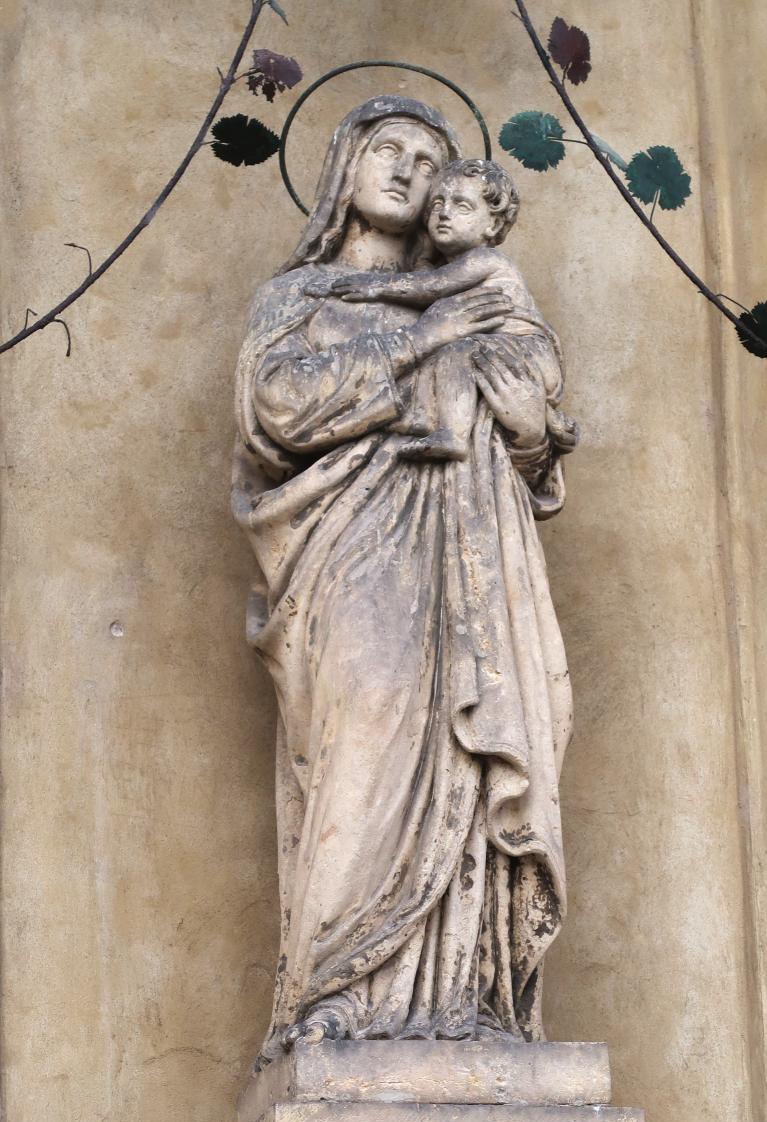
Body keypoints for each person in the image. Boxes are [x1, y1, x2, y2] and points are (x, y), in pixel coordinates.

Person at [232, 96, 578, 1070]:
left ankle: (468, 1000)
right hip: (350, 552)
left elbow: (532, 433)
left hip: (470, 553)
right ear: (345, 165)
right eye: (387, 149)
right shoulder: (298, 297)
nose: (406, 172)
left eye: (429, 163)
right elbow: (281, 410)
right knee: (370, 730)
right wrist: (424, 337)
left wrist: (529, 431)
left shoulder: (482, 292)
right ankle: (336, 994)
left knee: (473, 749)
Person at [310, 157, 577, 462]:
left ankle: (453, 435)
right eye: (437, 203)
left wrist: (374, 286)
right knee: (455, 353)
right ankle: (537, 420)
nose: (444, 213)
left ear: (492, 224)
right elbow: (432, 284)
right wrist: (424, 259)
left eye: (462, 206)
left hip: (526, 352)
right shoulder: (457, 267)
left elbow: (431, 287)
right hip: (512, 358)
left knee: (457, 353)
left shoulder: (486, 260)